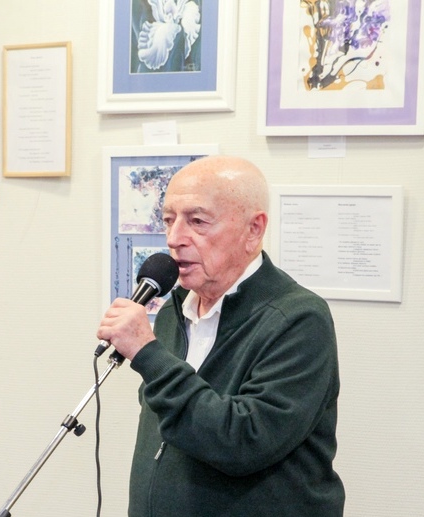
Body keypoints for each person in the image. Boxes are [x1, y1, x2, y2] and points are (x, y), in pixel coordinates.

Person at [96, 155, 346, 516]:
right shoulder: (172, 311)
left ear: (253, 229)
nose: (174, 238)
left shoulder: (299, 319)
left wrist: (149, 354)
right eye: (168, 220)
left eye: (197, 221)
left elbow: (243, 442)